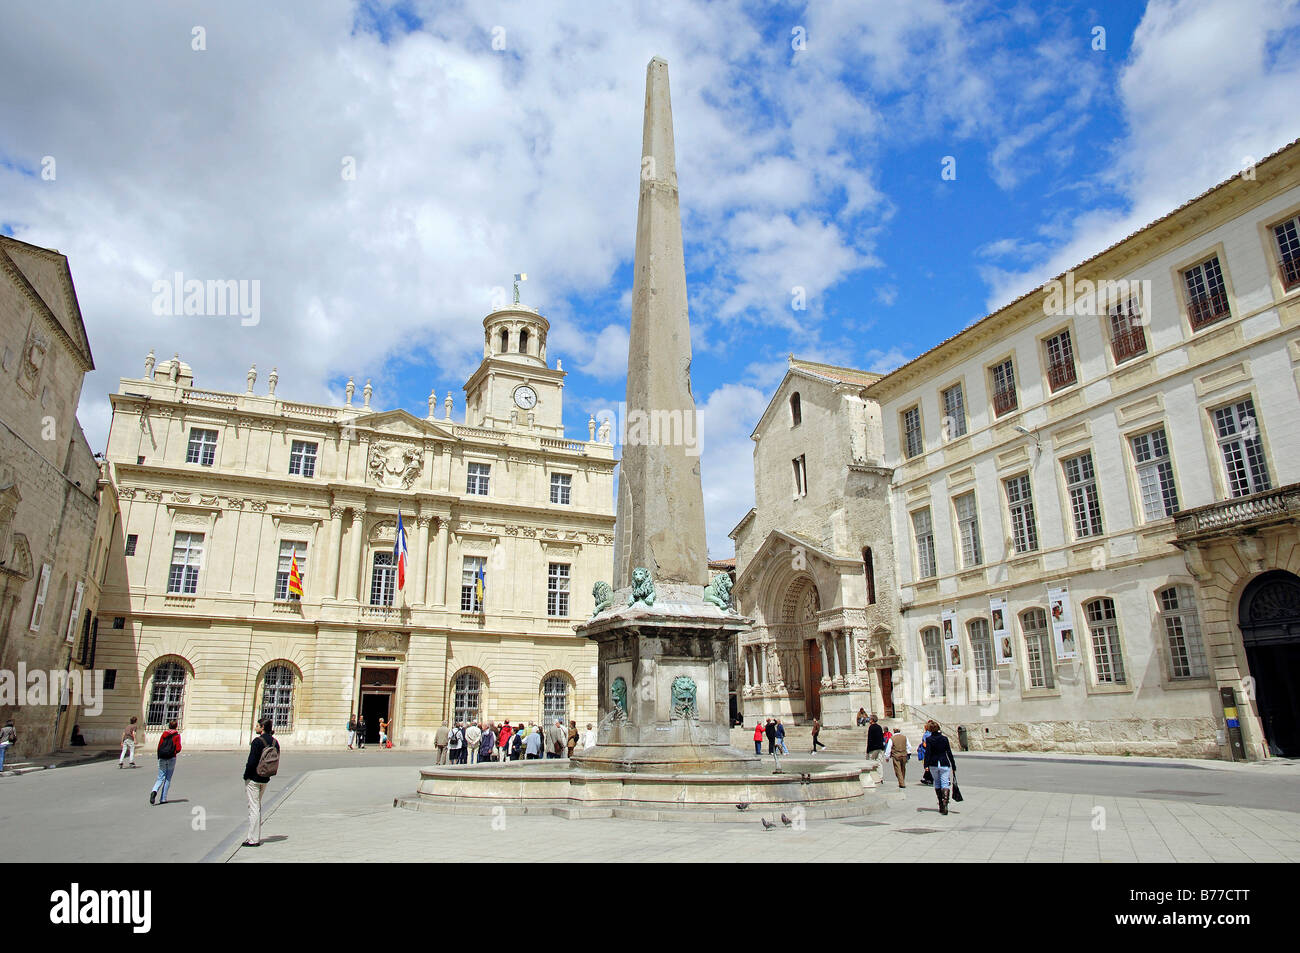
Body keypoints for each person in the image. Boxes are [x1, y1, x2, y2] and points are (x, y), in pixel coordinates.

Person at [242, 717, 281, 847]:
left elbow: (252, 761)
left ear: (262, 727)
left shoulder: (257, 742)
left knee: (254, 808)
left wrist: (246, 776)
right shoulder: (275, 742)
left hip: (254, 778)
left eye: (257, 725)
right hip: (265, 778)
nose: (256, 727)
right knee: (256, 806)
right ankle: (252, 836)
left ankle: (253, 839)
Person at [922, 720, 957, 814]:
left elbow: (928, 753)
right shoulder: (944, 739)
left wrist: (926, 765)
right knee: (945, 783)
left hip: (933, 763)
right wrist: (953, 765)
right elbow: (949, 752)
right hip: (944, 762)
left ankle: (941, 804)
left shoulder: (929, 739)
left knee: (937, 782)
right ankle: (945, 803)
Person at [150, 719, 181, 804]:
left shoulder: (164, 734)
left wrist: (159, 757)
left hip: (162, 758)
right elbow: (178, 749)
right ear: (176, 726)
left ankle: (154, 790)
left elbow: (159, 746)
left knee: (160, 777)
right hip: (171, 758)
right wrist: (173, 752)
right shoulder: (177, 736)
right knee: (167, 778)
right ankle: (163, 799)